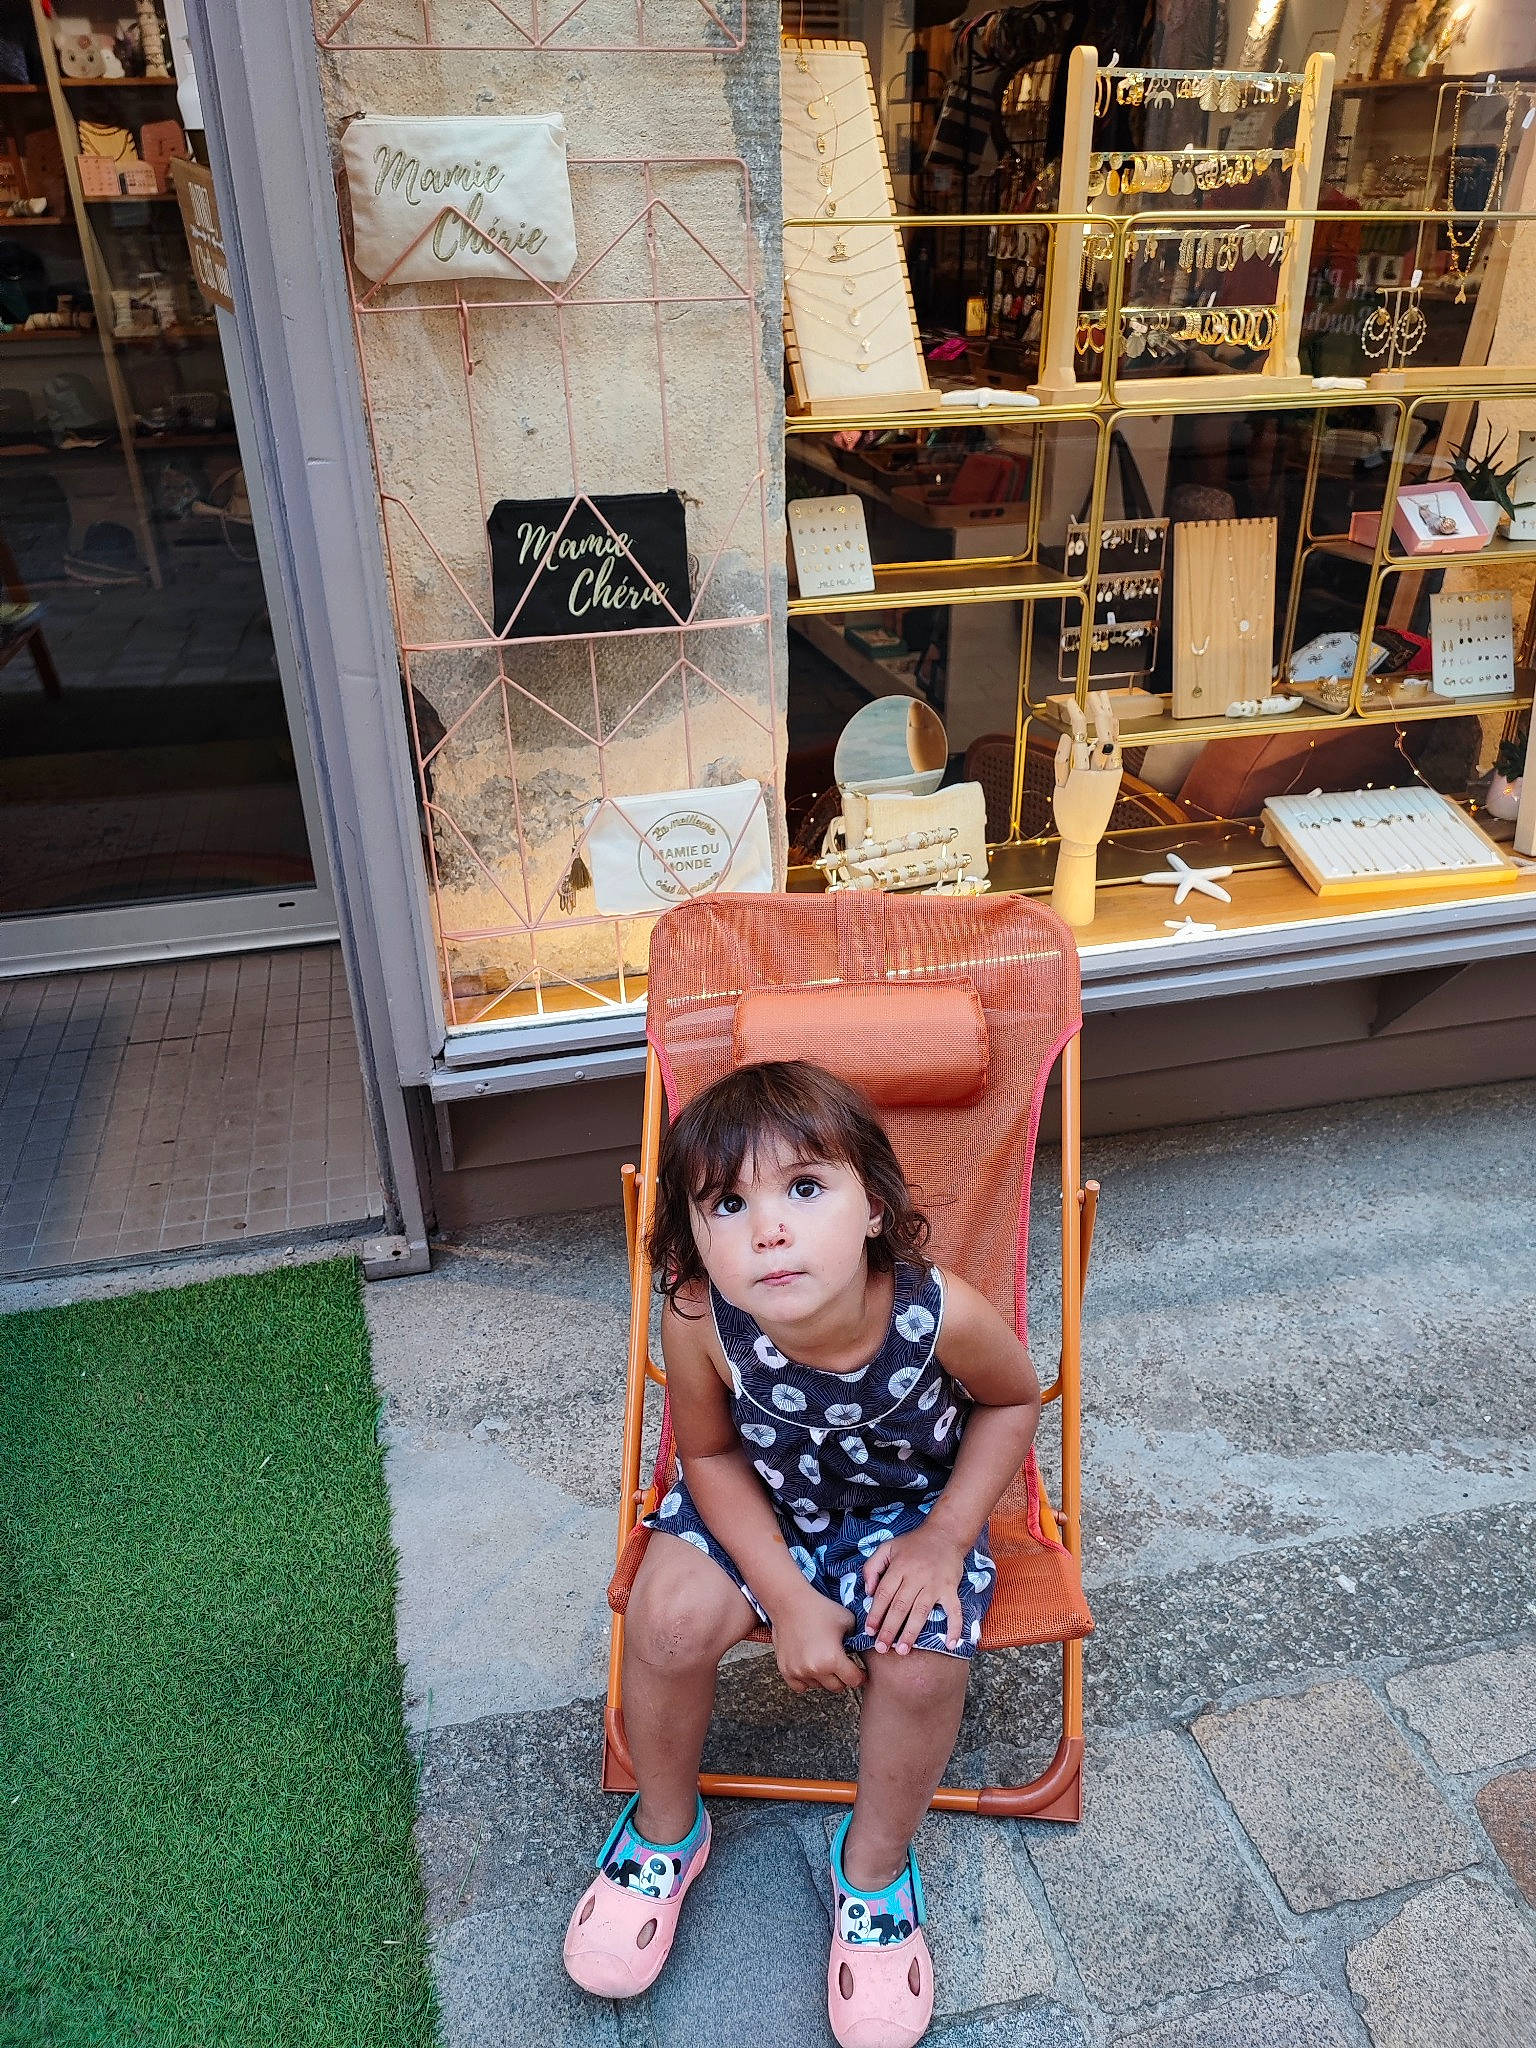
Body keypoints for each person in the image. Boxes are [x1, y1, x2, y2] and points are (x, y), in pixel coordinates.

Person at [563, 1060, 1043, 2048]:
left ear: (874, 1203)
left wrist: (947, 1536)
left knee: (922, 1658)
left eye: (805, 1187)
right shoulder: (702, 1316)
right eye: (727, 1203)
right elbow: (705, 1453)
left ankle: (871, 1868)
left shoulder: (937, 1310)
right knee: (666, 1614)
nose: (766, 1226)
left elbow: (1014, 1398)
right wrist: (784, 1594)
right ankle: (664, 1830)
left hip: (906, 1517)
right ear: (692, 1235)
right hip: (762, 1508)